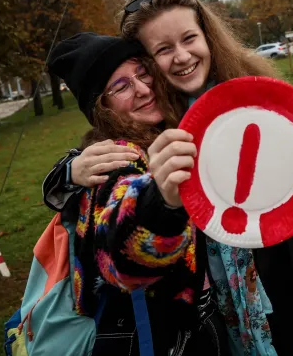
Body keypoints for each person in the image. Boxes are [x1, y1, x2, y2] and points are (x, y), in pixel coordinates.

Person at [45, 0, 293, 355]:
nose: (181, 56)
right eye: (162, 50)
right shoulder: (136, 149)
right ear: (101, 105)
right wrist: (157, 201)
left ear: (209, 37)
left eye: (189, 38)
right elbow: (121, 241)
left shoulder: (256, 95)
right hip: (235, 322)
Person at [47, 33, 226, 355]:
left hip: (199, 322)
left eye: (143, 74)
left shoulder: (168, 132)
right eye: (121, 86)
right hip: (159, 339)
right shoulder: (114, 160)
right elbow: (125, 258)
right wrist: (162, 202)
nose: (143, 89)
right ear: (100, 107)